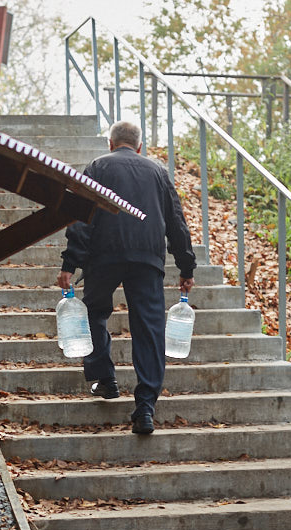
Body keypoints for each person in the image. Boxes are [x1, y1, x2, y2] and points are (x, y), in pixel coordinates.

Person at [58, 120, 197, 435]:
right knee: (148, 330)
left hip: (103, 255)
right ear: (139, 147)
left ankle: (105, 379)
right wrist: (186, 267)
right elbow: (177, 223)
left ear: (110, 143)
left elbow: (81, 219)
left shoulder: (97, 167)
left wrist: (70, 262)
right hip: (146, 259)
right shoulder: (158, 173)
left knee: (94, 312)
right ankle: (145, 408)